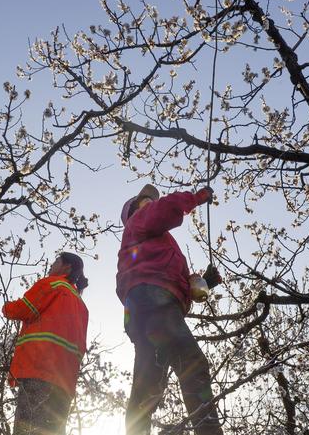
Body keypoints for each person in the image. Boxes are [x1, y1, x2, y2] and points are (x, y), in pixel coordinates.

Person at [118, 183, 224, 435]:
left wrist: (204, 283)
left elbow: (171, 280)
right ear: (134, 209)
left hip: (146, 304)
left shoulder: (157, 242)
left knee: (148, 383)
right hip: (154, 300)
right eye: (144, 202)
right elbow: (162, 209)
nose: (150, 204)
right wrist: (195, 198)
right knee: (191, 363)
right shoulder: (138, 221)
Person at [3, 252, 89, 435]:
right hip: (65, 382)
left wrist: (6, 307)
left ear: (67, 267)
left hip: (39, 371)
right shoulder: (81, 305)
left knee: (28, 429)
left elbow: (23, 309)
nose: (51, 264)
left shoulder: (51, 284)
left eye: (56, 261)